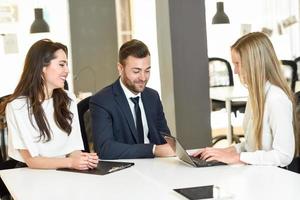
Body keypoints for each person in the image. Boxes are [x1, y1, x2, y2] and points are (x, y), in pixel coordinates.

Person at [0, 39, 98, 198]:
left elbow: (73, 149)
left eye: (67, 64)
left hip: (65, 175)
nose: (67, 70)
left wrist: (83, 159)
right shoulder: (17, 107)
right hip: (31, 178)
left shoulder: (68, 99)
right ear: (41, 68)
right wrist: (71, 163)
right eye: (61, 64)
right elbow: (32, 161)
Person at [193, 32, 296, 167]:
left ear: (254, 64)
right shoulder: (256, 94)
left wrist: (237, 157)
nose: (235, 71)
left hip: (273, 179)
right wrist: (224, 152)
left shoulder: (276, 99)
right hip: (256, 175)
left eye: (237, 63)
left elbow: (284, 155)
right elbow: (252, 146)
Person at [90, 39, 175, 159]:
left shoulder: (153, 97)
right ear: (120, 69)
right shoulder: (102, 101)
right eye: (136, 71)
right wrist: (153, 150)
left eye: (147, 71)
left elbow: (165, 139)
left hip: (156, 167)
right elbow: (104, 148)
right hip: (124, 172)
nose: (143, 78)